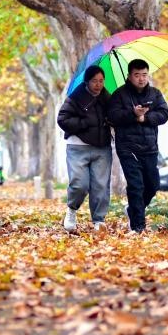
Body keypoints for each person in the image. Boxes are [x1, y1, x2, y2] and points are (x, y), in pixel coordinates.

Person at [107, 58, 168, 233]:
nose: (141, 79)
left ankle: (132, 210)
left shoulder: (155, 94)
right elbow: (112, 116)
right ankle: (138, 227)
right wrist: (132, 114)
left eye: (144, 75)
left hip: (150, 147)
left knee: (153, 185)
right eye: (137, 75)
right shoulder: (119, 95)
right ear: (129, 76)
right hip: (127, 147)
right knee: (136, 185)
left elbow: (164, 114)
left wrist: (146, 118)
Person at [57, 65, 113, 232]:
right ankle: (72, 210)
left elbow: (116, 115)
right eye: (94, 81)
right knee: (79, 185)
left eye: (101, 81)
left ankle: (99, 220)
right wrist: (84, 123)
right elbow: (62, 119)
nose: (98, 84)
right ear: (87, 81)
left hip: (102, 147)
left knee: (101, 186)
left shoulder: (107, 98)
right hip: (78, 146)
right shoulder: (75, 97)